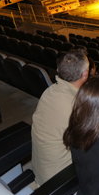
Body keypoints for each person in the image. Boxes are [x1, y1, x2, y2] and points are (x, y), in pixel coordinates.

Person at [31, 50, 89, 185]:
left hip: (41, 171)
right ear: (85, 74)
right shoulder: (77, 105)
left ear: (59, 70)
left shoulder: (49, 91)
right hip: (59, 177)